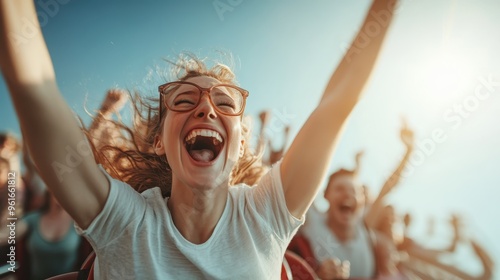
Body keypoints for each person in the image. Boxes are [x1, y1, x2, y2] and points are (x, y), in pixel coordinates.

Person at [0, 0, 398, 278]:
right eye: (185, 100)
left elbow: (337, 104)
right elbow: (34, 89)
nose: (206, 109)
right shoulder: (124, 223)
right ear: (159, 141)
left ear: (241, 144)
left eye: (225, 103)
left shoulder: (267, 214)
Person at [295, 123, 414, 279]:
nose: (348, 195)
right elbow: (300, 174)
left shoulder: (364, 226)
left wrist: (408, 151)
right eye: (339, 189)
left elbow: (387, 187)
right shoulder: (310, 220)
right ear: (326, 195)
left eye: (354, 191)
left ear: (363, 201)